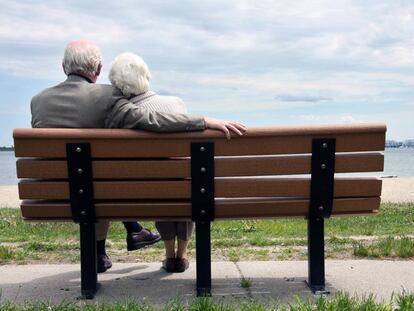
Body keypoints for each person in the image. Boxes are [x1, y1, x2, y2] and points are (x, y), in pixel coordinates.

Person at [30, 39, 246, 274]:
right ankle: (125, 236)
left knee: (89, 181)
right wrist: (204, 121)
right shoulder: (106, 96)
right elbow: (151, 120)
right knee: (94, 182)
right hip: (96, 194)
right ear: (99, 69)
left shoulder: (38, 101)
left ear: (63, 66)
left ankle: (101, 251)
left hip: (50, 196)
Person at [108, 52, 190, 272]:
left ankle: (167, 254)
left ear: (116, 84)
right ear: (146, 75)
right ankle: (180, 255)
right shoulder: (176, 104)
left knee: (159, 185)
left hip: (141, 195)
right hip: (182, 191)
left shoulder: (118, 115)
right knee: (181, 183)